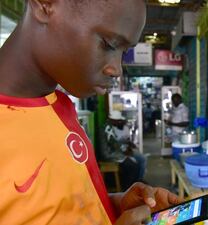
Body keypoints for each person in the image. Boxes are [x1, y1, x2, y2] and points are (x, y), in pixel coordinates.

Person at [0, 0, 181, 224]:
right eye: (108, 44)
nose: (117, 69)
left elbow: (59, 209)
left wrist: (114, 204)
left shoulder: (58, 106)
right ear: (45, 4)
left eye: (123, 52)